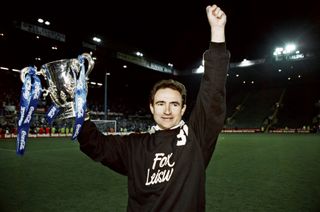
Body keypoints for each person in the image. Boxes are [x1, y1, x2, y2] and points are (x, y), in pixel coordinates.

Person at [78, 4, 230, 211]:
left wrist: (218, 30)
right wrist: (78, 113)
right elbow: (95, 144)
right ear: (151, 107)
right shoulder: (134, 145)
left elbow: (213, 92)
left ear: (183, 109)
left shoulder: (196, 138)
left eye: (174, 104)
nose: (167, 110)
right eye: (161, 103)